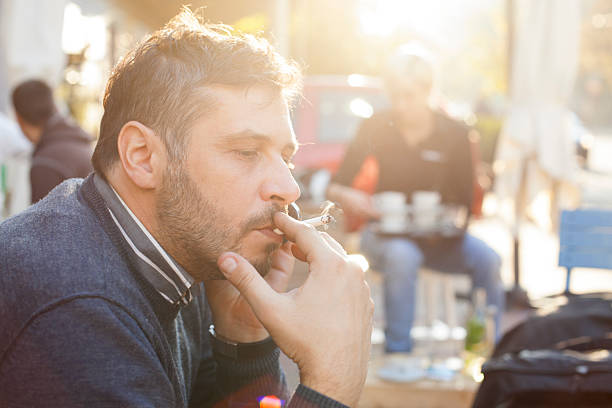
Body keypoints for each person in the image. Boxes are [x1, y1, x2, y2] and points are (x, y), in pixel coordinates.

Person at [0, 9, 373, 408]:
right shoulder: (76, 308)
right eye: (247, 152)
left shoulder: (174, 247)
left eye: (286, 158)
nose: (289, 187)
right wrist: (332, 382)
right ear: (142, 157)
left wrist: (243, 341)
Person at [327, 45, 504, 354]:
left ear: (428, 91)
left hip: (439, 239)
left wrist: (446, 218)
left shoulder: (456, 133)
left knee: (489, 259)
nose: (401, 104)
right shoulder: (377, 125)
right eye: (395, 95)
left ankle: (488, 351)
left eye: (409, 95)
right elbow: (335, 185)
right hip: (383, 234)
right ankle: (399, 353)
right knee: (403, 256)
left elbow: (465, 202)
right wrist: (350, 195)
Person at [11, 79, 93, 203]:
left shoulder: (46, 163)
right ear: (54, 107)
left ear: (18, 118)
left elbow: (41, 221)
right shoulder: (79, 142)